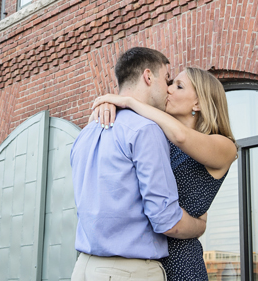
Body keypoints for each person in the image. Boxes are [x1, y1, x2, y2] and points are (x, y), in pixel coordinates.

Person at [70, 47, 208, 281]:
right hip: (128, 272)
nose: (168, 89)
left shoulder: (85, 133)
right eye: (167, 80)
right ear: (148, 77)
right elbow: (166, 221)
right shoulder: (146, 130)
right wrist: (199, 226)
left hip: (83, 268)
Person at [91, 66, 237, 281]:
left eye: (179, 86)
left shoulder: (225, 146)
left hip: (180, 261)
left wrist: (129, 101)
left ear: (197, 103)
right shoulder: (160, 137)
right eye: (170, 83)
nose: (168, 89)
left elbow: (182, 137)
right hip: (142, 258)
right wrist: (109, 104)